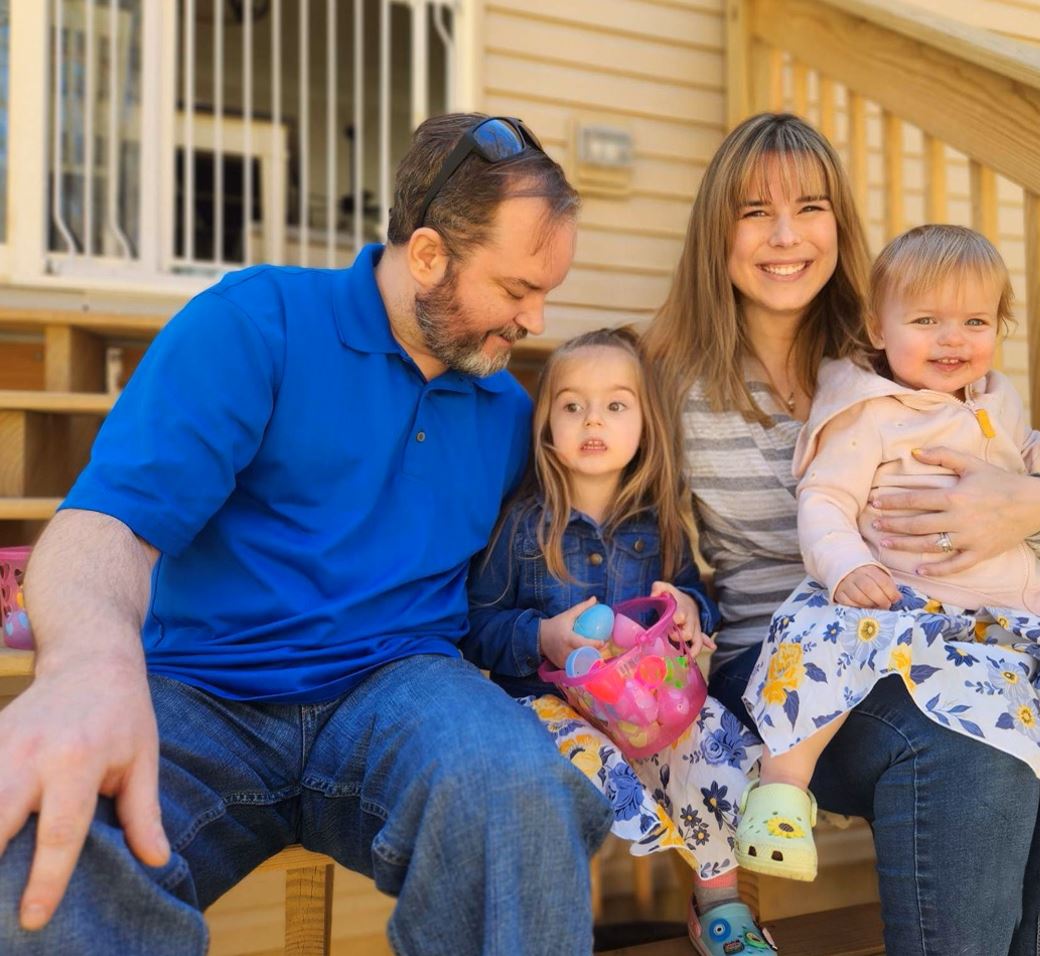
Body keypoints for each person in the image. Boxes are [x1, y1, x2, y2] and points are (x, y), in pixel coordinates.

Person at [0, 113, 614, 955]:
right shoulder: (257, 324)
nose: (536, 322)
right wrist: (84, 665)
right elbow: (105, 526)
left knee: (517, 790)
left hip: (400, 689)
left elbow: (548, 559)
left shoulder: (508, 412)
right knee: (44, 842)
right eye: (515, 291)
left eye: (548, 292)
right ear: (428, 256)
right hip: (200, 695)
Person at [644, 112, 1040, 955]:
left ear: (840, 224)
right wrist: (669, 603)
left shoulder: (909, 345)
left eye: (809, 207)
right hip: (796, 666)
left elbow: (1015, 512)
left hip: (964, 627)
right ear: (715, 229)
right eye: (754, 212)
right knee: (976, 750)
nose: (785, 235)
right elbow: (633, 547)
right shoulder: (667, 383)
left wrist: (1035, 503)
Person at [735, 223, 1040, 882]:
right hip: (905, 602)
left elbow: (1034, 478)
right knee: (819, 650)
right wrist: (848, 567)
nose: (951, 338)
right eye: (926, 319)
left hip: (1006, 608)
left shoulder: (998, 401)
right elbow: (823, 501)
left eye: (974, 320)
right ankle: (782, 794)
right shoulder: (869, 413)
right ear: (878, 328)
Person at [463, 327, 771, 956]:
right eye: (571, 405)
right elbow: (476, 629)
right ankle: (548, 929)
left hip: (643, 705)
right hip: (548, 710)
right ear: (546, 423)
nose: (591, 419)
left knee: (708, 742)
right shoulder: (523, 522)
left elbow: (690, 597)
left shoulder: (657, 521)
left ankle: (719, 903)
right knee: (571, 772)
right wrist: (543, 636)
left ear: (645, 424)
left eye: (615, 404)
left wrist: (689, 609)